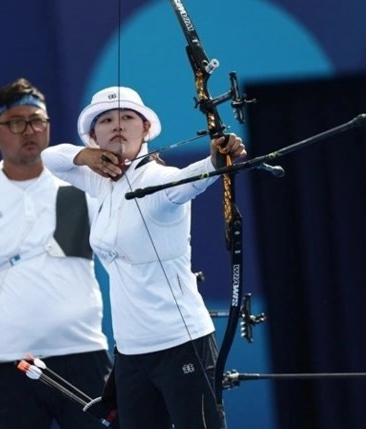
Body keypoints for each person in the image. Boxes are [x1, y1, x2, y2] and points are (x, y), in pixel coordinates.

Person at [40, 86, 247, 429]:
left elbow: (189, 179)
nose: (117, 125)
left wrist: (215, 160)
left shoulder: (158, 181)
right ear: (94, 136)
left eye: (127, 117)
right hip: (130, 352)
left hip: (182, 343)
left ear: (146, 128)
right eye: (106, 120)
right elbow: (50, 158)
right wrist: (84, 156)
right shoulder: (100, 183)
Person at [0, 77, 112, 429]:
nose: (29, 130)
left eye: (37, 121)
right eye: (16, 122)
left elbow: (120, 260)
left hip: (84, 354)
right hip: (9, 363)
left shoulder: (81, 187)